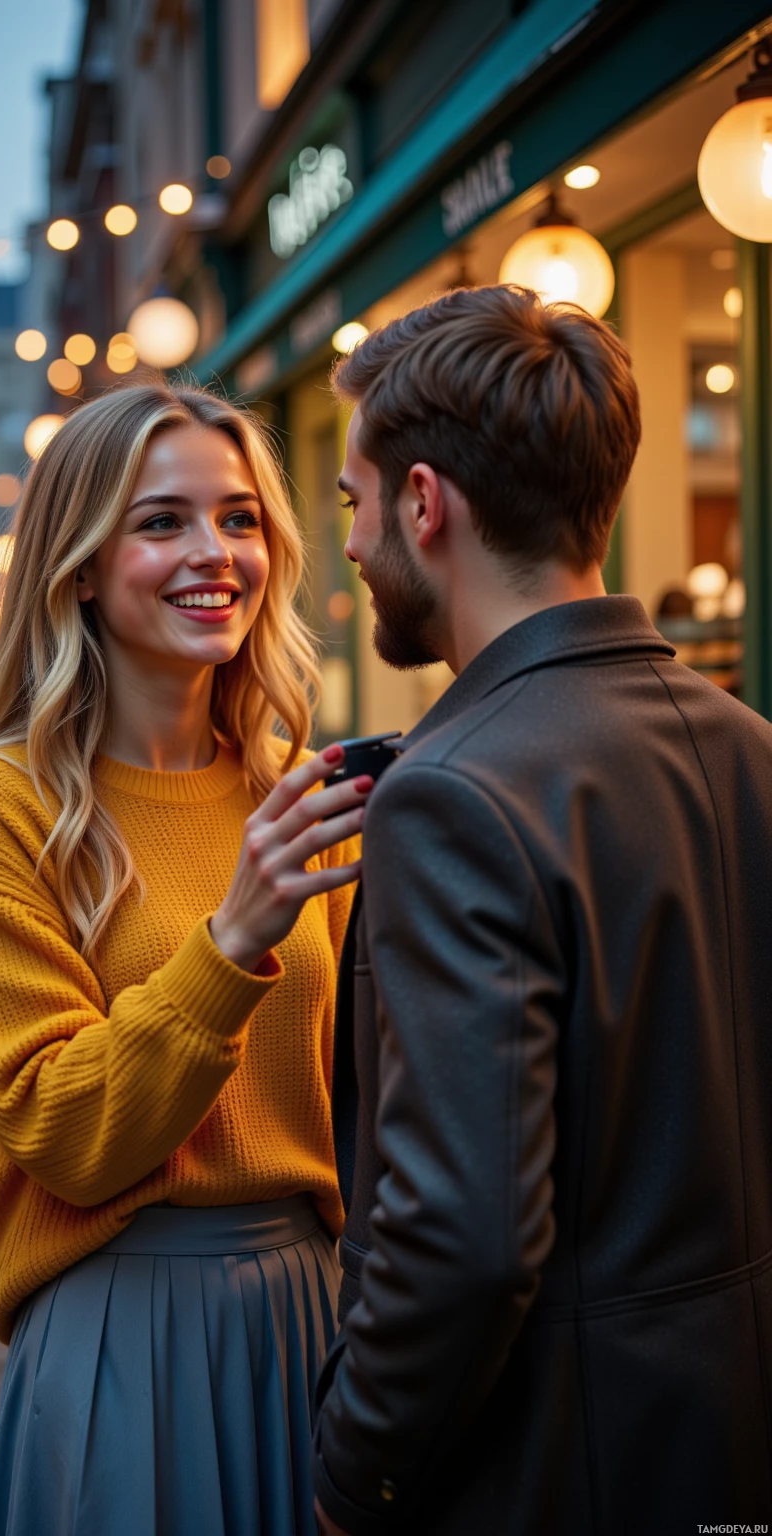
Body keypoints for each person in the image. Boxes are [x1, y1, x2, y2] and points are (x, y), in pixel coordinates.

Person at [312, 286, 772, 1535]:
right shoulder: (749, 744)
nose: (348, 548)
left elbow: (461, 1238)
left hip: (560, 1467)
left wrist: (354, 1472)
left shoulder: (452, 796)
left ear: (423, 503)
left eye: (352, 505)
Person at [0, 381, 368, 1536]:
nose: (215, 552)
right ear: (80, 567)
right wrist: (233, 938)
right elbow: (60, 1128)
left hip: (314, 1312)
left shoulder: (283, 782)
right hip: (123, 1330)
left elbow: (358, 1080)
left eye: (240, 517)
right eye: (162, 522)